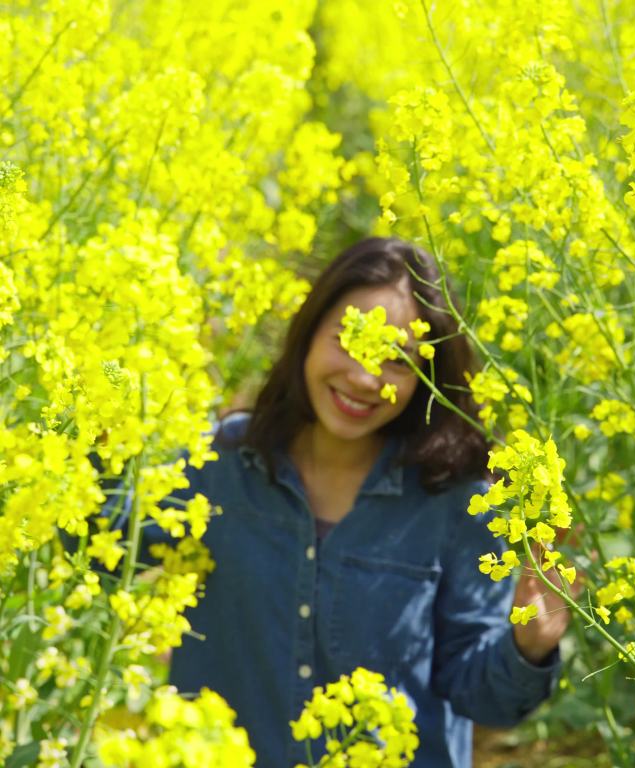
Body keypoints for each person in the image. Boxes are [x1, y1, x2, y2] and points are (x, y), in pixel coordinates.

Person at [155, 237, 567, 767]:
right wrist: (100, 442)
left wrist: (528, 646)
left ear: (427, 379)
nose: (364, 377)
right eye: (350, 341)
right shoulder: (225, 461)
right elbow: (104, 549)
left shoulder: (458, 501)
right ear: (309, 332)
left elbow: (481, 695)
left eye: (397, 360)